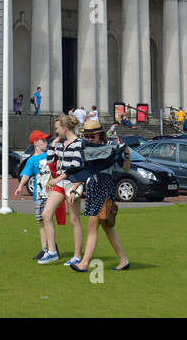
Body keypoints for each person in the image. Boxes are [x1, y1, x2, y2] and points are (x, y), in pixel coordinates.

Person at [68, 118, 130, 272]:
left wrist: (127, 155)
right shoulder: (88, 149)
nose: (89, 139)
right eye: (87, 137)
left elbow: (126, 168)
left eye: (92, 136)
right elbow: (85, 171)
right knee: (107, 227)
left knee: (92, 226)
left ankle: (84, 263)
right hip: (95, 187)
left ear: (100, 135)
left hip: (104, 187)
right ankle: (123, 260)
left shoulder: (111, 148)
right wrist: (76, 188)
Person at [39, 114, 84, 266]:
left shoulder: (78, 143)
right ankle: (52, 252)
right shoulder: (60, 144)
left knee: (74, 220)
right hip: (61, 183)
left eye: (57, 129)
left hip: (72, 184)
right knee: (46, 214)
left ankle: (77, 256)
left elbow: (76, 165)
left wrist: (58, 178)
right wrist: (53, 144)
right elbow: (50, 160)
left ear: (65, 128)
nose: (56, 131)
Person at [14, 130, 54, 261]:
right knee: (42, 222)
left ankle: (51, 247)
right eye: (43, 140)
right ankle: (45, 248)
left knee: (48, 219)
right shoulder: (32, 160)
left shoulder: (50, 155)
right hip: (39, 194)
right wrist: (20, 186)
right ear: (36, 143)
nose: (46, 142)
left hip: (51, 193)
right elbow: (26, 174)